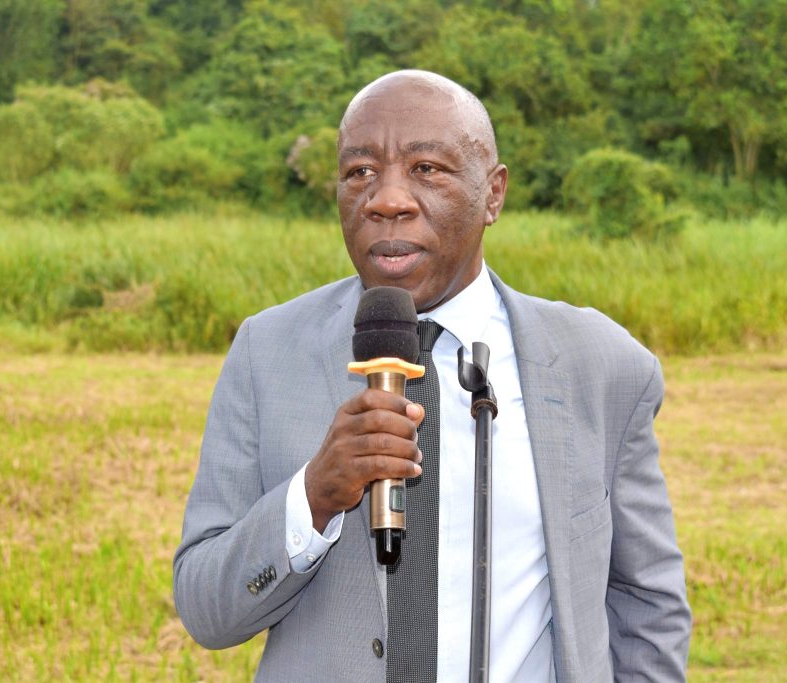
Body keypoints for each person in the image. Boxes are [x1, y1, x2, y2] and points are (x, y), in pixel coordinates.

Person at [173, 70, 691, 682]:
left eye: (427, 168)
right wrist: (313, 496)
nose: (385, 199)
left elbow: (647, 604)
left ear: (493, 193)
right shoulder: (268, 351)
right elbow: (206, 609)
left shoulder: (600, 364)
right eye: (359, 172)